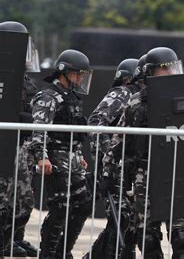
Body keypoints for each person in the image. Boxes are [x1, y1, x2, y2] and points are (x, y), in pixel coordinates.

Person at [101, 47, 184, 259]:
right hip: (146, 175)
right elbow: (119, 139)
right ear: (150, 72)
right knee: (147, 238)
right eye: (164, 70)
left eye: (173, 68)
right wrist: (107, 172)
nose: (170, 74)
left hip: (179, 173)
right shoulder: (135, 103)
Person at [29, 49, 93, 258]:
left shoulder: (71, 98)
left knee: (83, 204)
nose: (81, 78)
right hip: (55, 158)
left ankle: (63, 251)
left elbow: (74, 129)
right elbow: (39, 129)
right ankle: (48, 253)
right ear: (63, 72)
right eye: (77, 73)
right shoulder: (48, 96)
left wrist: (79, 155)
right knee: (60, 209)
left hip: (72, 159)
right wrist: (42, 156)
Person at [86, 58, 141, 258]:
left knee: (131, 221)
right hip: (115, 167)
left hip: (133, 169)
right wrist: (109, 156)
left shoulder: (143, 97)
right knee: (122, 218)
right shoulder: (123, 93)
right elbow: (96, 123)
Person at [0, 20, 40, 257]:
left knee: (22, 202)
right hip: (4, 147)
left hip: (19, 147)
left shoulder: (24, 80)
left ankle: (11, 240)